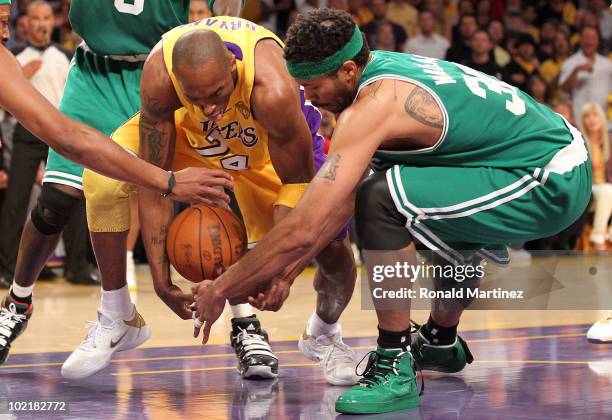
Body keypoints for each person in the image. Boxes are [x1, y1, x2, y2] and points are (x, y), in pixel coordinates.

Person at [192, 8, 592, 415]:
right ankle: (439, 342)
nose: (307, 98)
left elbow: (308, 222)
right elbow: (333, 207)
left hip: (549, 176)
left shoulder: (373, 106)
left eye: (312, 86)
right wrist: (284, 273)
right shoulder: (378, 72)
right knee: (413, 196)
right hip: (538, 157)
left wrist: (222, 287)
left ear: (348, 70)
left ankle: (393, 363)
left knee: (381, 200)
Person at [67, 16, 358, 385]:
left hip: (264, 150)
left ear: (233, 68)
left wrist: (281, 273)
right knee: (103, 179)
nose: (207, 108)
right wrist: (161, 281)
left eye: (217, 94)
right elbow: (153, 184)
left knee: (331, 245)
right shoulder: (160, 77)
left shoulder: (274, 90)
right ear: (177, 80)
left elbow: (296, 187)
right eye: (194, 97)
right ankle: (118, 315)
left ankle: (324, 334)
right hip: (192, 141)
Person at [0, 0, 239, 366]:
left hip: (164, 70)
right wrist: (168, 181)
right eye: (4, 22)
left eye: (6, 22)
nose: (7, 33)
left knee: (223, 190)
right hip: (96, 71)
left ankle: (246, 324)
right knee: (60, 199)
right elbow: (67, 138)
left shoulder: (264, 76)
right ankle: (30, 303)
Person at [0, 1, 87, 288]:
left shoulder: (66, 55)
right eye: (35, 18)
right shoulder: (12, 55)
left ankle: (77, 266)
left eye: (46, 18)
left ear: (54, 22)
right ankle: (7, 269)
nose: (41, 23)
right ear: (25, 22)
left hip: (60, 132)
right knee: (16, 201)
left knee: (73, 195)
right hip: (25, 135)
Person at [559, 25, 612, 124]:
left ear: (598, 41)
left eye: (593, 38)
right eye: (586, 37)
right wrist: (576, 71)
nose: (589, 42)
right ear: (580, 39)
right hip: (580, 119)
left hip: (604, 119)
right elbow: (564, 88)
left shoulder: (607, 64)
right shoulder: (570, 63)